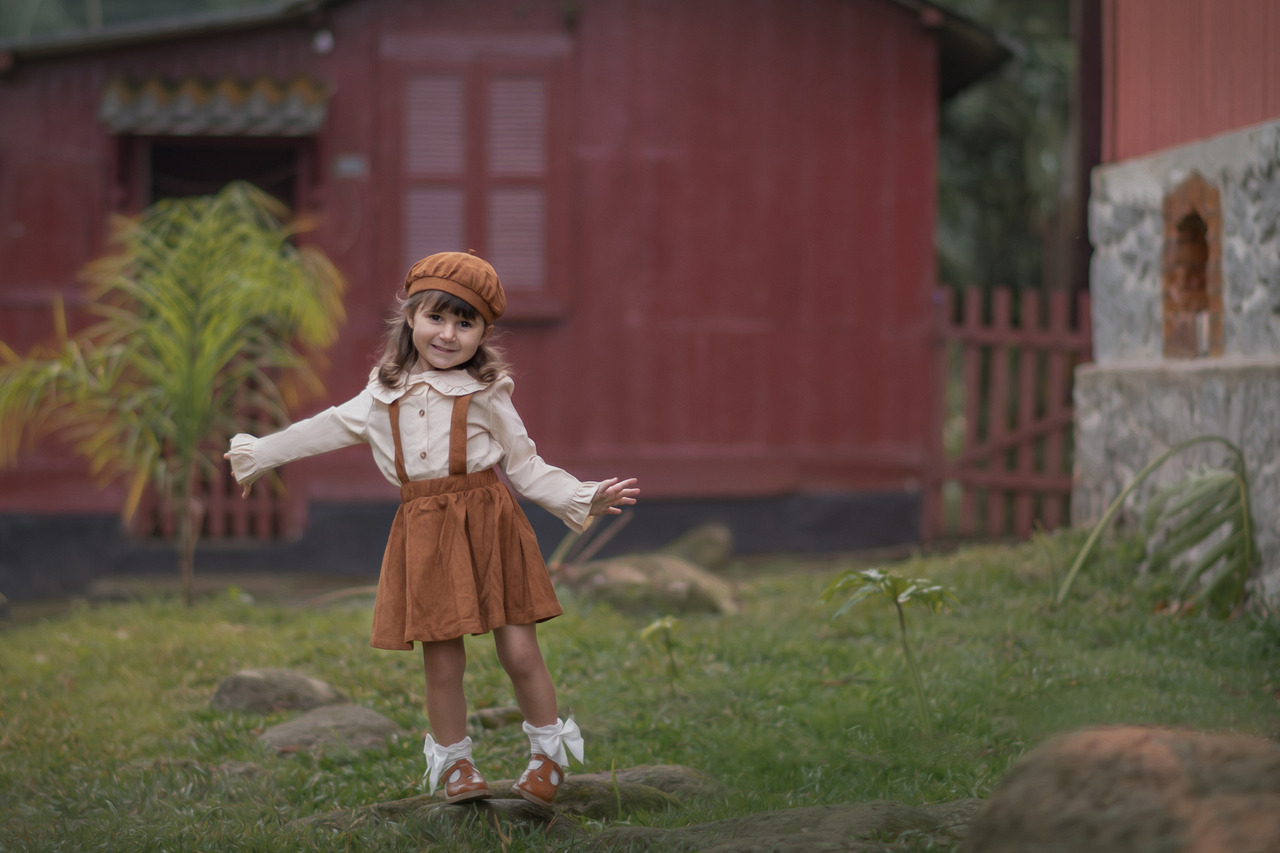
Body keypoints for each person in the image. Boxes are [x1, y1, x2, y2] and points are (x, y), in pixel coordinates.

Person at [224, 251, 638, 806]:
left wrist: (583, 495)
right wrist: (257, 455)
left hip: (490, 522)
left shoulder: (485, 392)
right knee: (443, 660)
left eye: (465, 323)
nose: (448, 334)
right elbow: (318, 429)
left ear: (483, 333)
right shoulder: (381, 395)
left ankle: (548, 755)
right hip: (424, 531)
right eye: (436, 318)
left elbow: (524, 464)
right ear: (411, 319)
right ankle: (455, 765)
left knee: (518, 651)